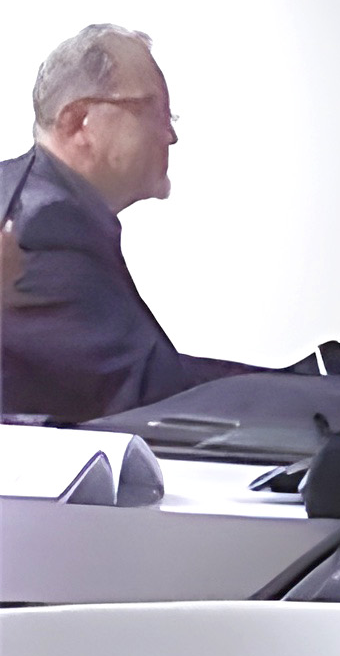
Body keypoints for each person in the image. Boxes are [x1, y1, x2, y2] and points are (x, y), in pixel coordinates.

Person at [3, 25, 256, 426]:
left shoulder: (24, 194)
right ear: (78, 121)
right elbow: (157, 398)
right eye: (156, 113)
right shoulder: (42, 227)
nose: (170, 135)